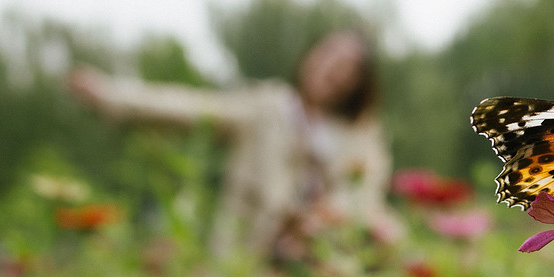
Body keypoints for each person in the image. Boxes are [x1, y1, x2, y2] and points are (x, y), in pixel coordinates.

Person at [68, 30, 400, 261]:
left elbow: (365, 192)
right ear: (310, 55)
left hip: (323, 263)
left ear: (359, 84)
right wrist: (113, 95)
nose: (335, 66)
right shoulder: (266, 108)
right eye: (328, 52)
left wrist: (323, 219)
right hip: (249, 257)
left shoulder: (360, 136)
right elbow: (190, 107)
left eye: (350, 66)